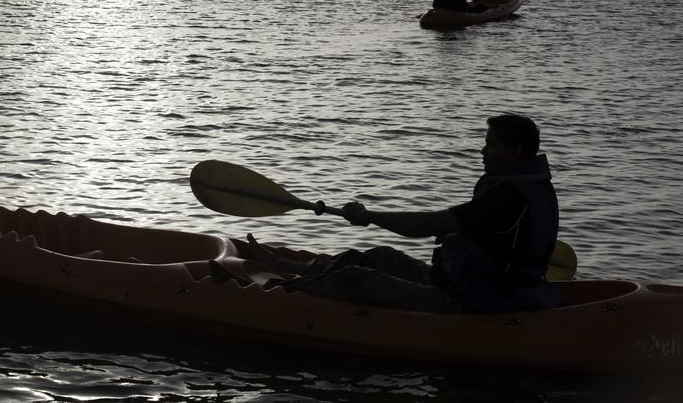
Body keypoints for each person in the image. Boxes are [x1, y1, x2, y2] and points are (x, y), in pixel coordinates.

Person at [211, 114, 561, 313]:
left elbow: (428, 224)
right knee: (381, 256)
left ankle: (266, 296)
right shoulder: (532, 185)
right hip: (477, 285)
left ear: (515, 151)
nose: (482, 150)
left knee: (357, 279)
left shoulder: (507, 197)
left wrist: (370, 216)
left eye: (491, 144)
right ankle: (292, 269)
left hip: (480, 301)